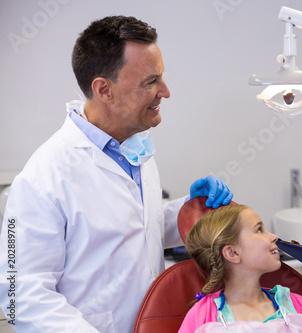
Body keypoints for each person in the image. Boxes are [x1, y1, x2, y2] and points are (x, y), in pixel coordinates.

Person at [0, 16, 233, 333]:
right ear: (104, 89)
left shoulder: (134, 147)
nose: (165, 91)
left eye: (161, 78)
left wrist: (191, 209)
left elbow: (135, 227)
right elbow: (20, 296)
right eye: (150, 81)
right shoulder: (42, 179)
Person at [178, 205, 302, 332]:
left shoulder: (300, 307)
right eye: (259, 230)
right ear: (233, 253)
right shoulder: (202, 315)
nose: (273, 236)